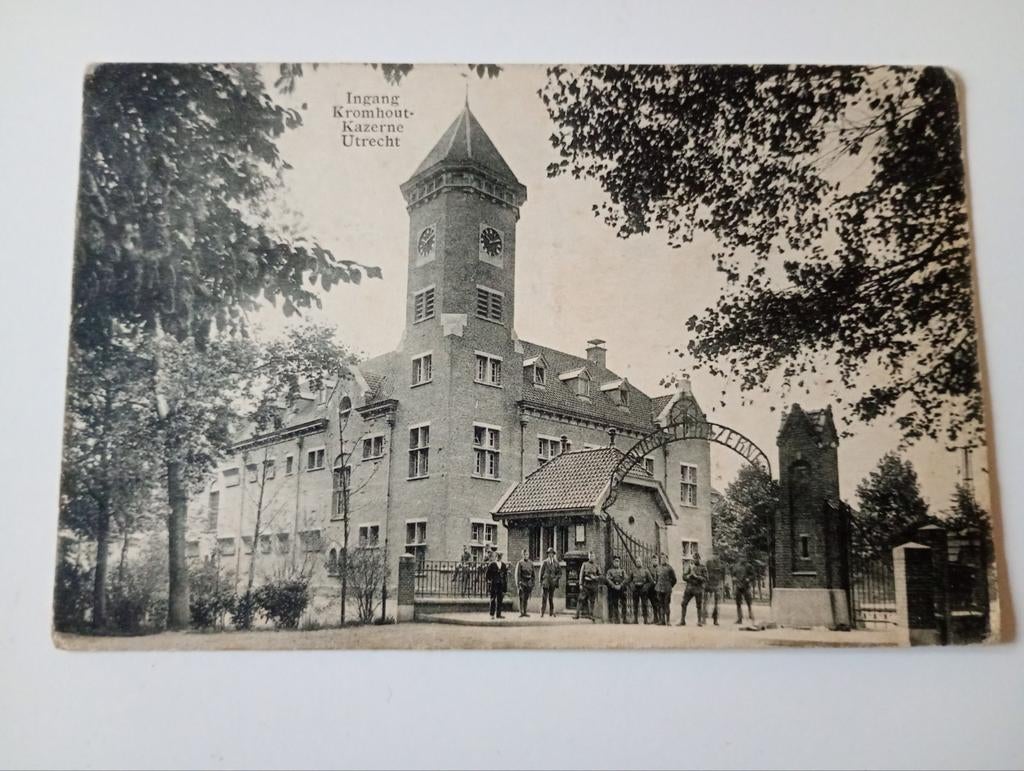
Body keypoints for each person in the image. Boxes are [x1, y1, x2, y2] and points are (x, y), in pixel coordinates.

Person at [680, 551, 708, 626]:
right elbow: (684, 577)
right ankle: (682, 620)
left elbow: (705, 578)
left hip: (698, 588)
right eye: (694, 558)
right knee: (683, 603)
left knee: (699, 605)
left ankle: (699, 621)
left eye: (696, 558)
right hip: (689, 588)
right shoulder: (690, 567)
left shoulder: (703, 567)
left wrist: (696, 576)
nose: (695, 560)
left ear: (699, 559)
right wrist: (689, 576)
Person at [574, 552, 600, 622]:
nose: (592, 558)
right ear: (588, 557)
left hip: (593, 585)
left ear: (594, 557)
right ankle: (577, 614)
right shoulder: (584, 564)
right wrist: (580, 584)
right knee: (580, 599)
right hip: (586, 584)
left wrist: (595, 577)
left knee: (592, 601)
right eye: (590, 556)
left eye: (593, 556)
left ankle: (591, 615)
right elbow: (581, 574)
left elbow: (600, 575)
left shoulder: (597, 566)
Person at [654, 553, 677, 626]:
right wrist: (658, 586)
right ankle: (662, 620)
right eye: (662, 558)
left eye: (664, 558)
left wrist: (670, 586)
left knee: (666, 604)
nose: (663, 559)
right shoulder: (658, 568)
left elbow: (674, 579)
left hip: (667, 589)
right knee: (660, 605)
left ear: (667, 559)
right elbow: (656, 579)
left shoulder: (670, 568)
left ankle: (668, 621)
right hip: (659, 589)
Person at [732, 556, 756, 624]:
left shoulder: (749, 566)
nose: (742, 558)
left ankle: (751, 616)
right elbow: (733, 574)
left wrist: (749, 579)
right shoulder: (736, 566)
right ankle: (739, 618)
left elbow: (753, 575)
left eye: (743, 557)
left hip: (746, 586)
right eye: (741, 557)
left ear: (745, 558)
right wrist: (734, 578)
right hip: (738, 586)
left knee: (749, 602)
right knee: (738, 603)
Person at [630, 557, 654, 624]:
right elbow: (629, 580)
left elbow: (651, 582)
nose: (638, 563)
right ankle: (635, 620)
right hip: (635, 589)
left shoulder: (646, 571)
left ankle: (645, 620)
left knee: (644, 605)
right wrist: (632, 586)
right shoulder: (633, 571)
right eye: (637, 561)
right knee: (635, 604)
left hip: (643, 590)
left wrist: (645, 587)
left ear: (642, 562)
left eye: (639, 561)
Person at [605, 556, 628, 624]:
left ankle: (624, 618)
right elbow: (608, 579)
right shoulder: (610, 571)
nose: (617, 563)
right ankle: (616, 619)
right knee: (615, 604)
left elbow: (626, 579)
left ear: (619, 562)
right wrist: (614, 585)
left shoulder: (622, 571)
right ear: (613, 562)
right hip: (613, 589)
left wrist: (621, 585)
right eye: (615, 561)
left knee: (624, 603)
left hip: (621, 589)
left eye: (618, 561)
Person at [485, 551, 508, 619]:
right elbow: (487, 574)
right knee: (493, 599)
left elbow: (505, 576)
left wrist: (505, 587)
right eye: (498, 556)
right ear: (496, 557)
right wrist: (490, 580)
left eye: (500, 556)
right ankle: (492, 614)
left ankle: (498, 614)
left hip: (501, 584)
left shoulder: (503, 565)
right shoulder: (492, 564)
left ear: (501, 557)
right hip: (494, 584)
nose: (499, 557)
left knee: (500, 599)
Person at [703, 554, 725, 626]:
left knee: (716, 604)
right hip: (708, 584)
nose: (715, 556)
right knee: (705, 602)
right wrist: (705, 582)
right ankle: (704, 618)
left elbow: (723, 577)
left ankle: (715, 619)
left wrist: (721, 586)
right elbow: (704, 572)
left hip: (716, 585)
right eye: (714, 555)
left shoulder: (721, 565)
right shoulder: (708, 563)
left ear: (719, 556)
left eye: (717, 555)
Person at [539, 546, 560, 618]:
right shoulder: (545, 562)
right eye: (549, 553)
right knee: (544, 598)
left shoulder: (556, 563)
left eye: (552, 553)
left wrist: (556, 578)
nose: (551, 555)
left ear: (553, 554)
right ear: (548, 554)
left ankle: (551, 612)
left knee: (551, 598)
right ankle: (542, 612)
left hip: (552, 583)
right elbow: (541, 572)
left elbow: (559, 573)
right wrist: (540, 582)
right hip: (545, 582)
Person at [514, 548, 536, 617]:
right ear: (522, 555)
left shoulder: (531, 563)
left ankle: (525, 611)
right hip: (522, 583)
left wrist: (532, 583)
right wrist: (518, 584)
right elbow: (517, 575)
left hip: (528, 583)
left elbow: (533, 574)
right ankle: (521, 612)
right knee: (521, 598)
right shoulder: (520, 563)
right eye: (524, 554)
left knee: (526, 598)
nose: (526, 556)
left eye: (527, 554)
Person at [646, 555, 662, 624]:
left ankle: (661, 619)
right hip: (651, 589)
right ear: (651, 561)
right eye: (653, 560)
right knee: (653, 604)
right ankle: (655, 619)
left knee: (659, 604)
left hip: (659, 589)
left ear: (658, 561)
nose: (654, 561)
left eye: (656, 560)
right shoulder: (649, 569)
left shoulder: (660, 568)